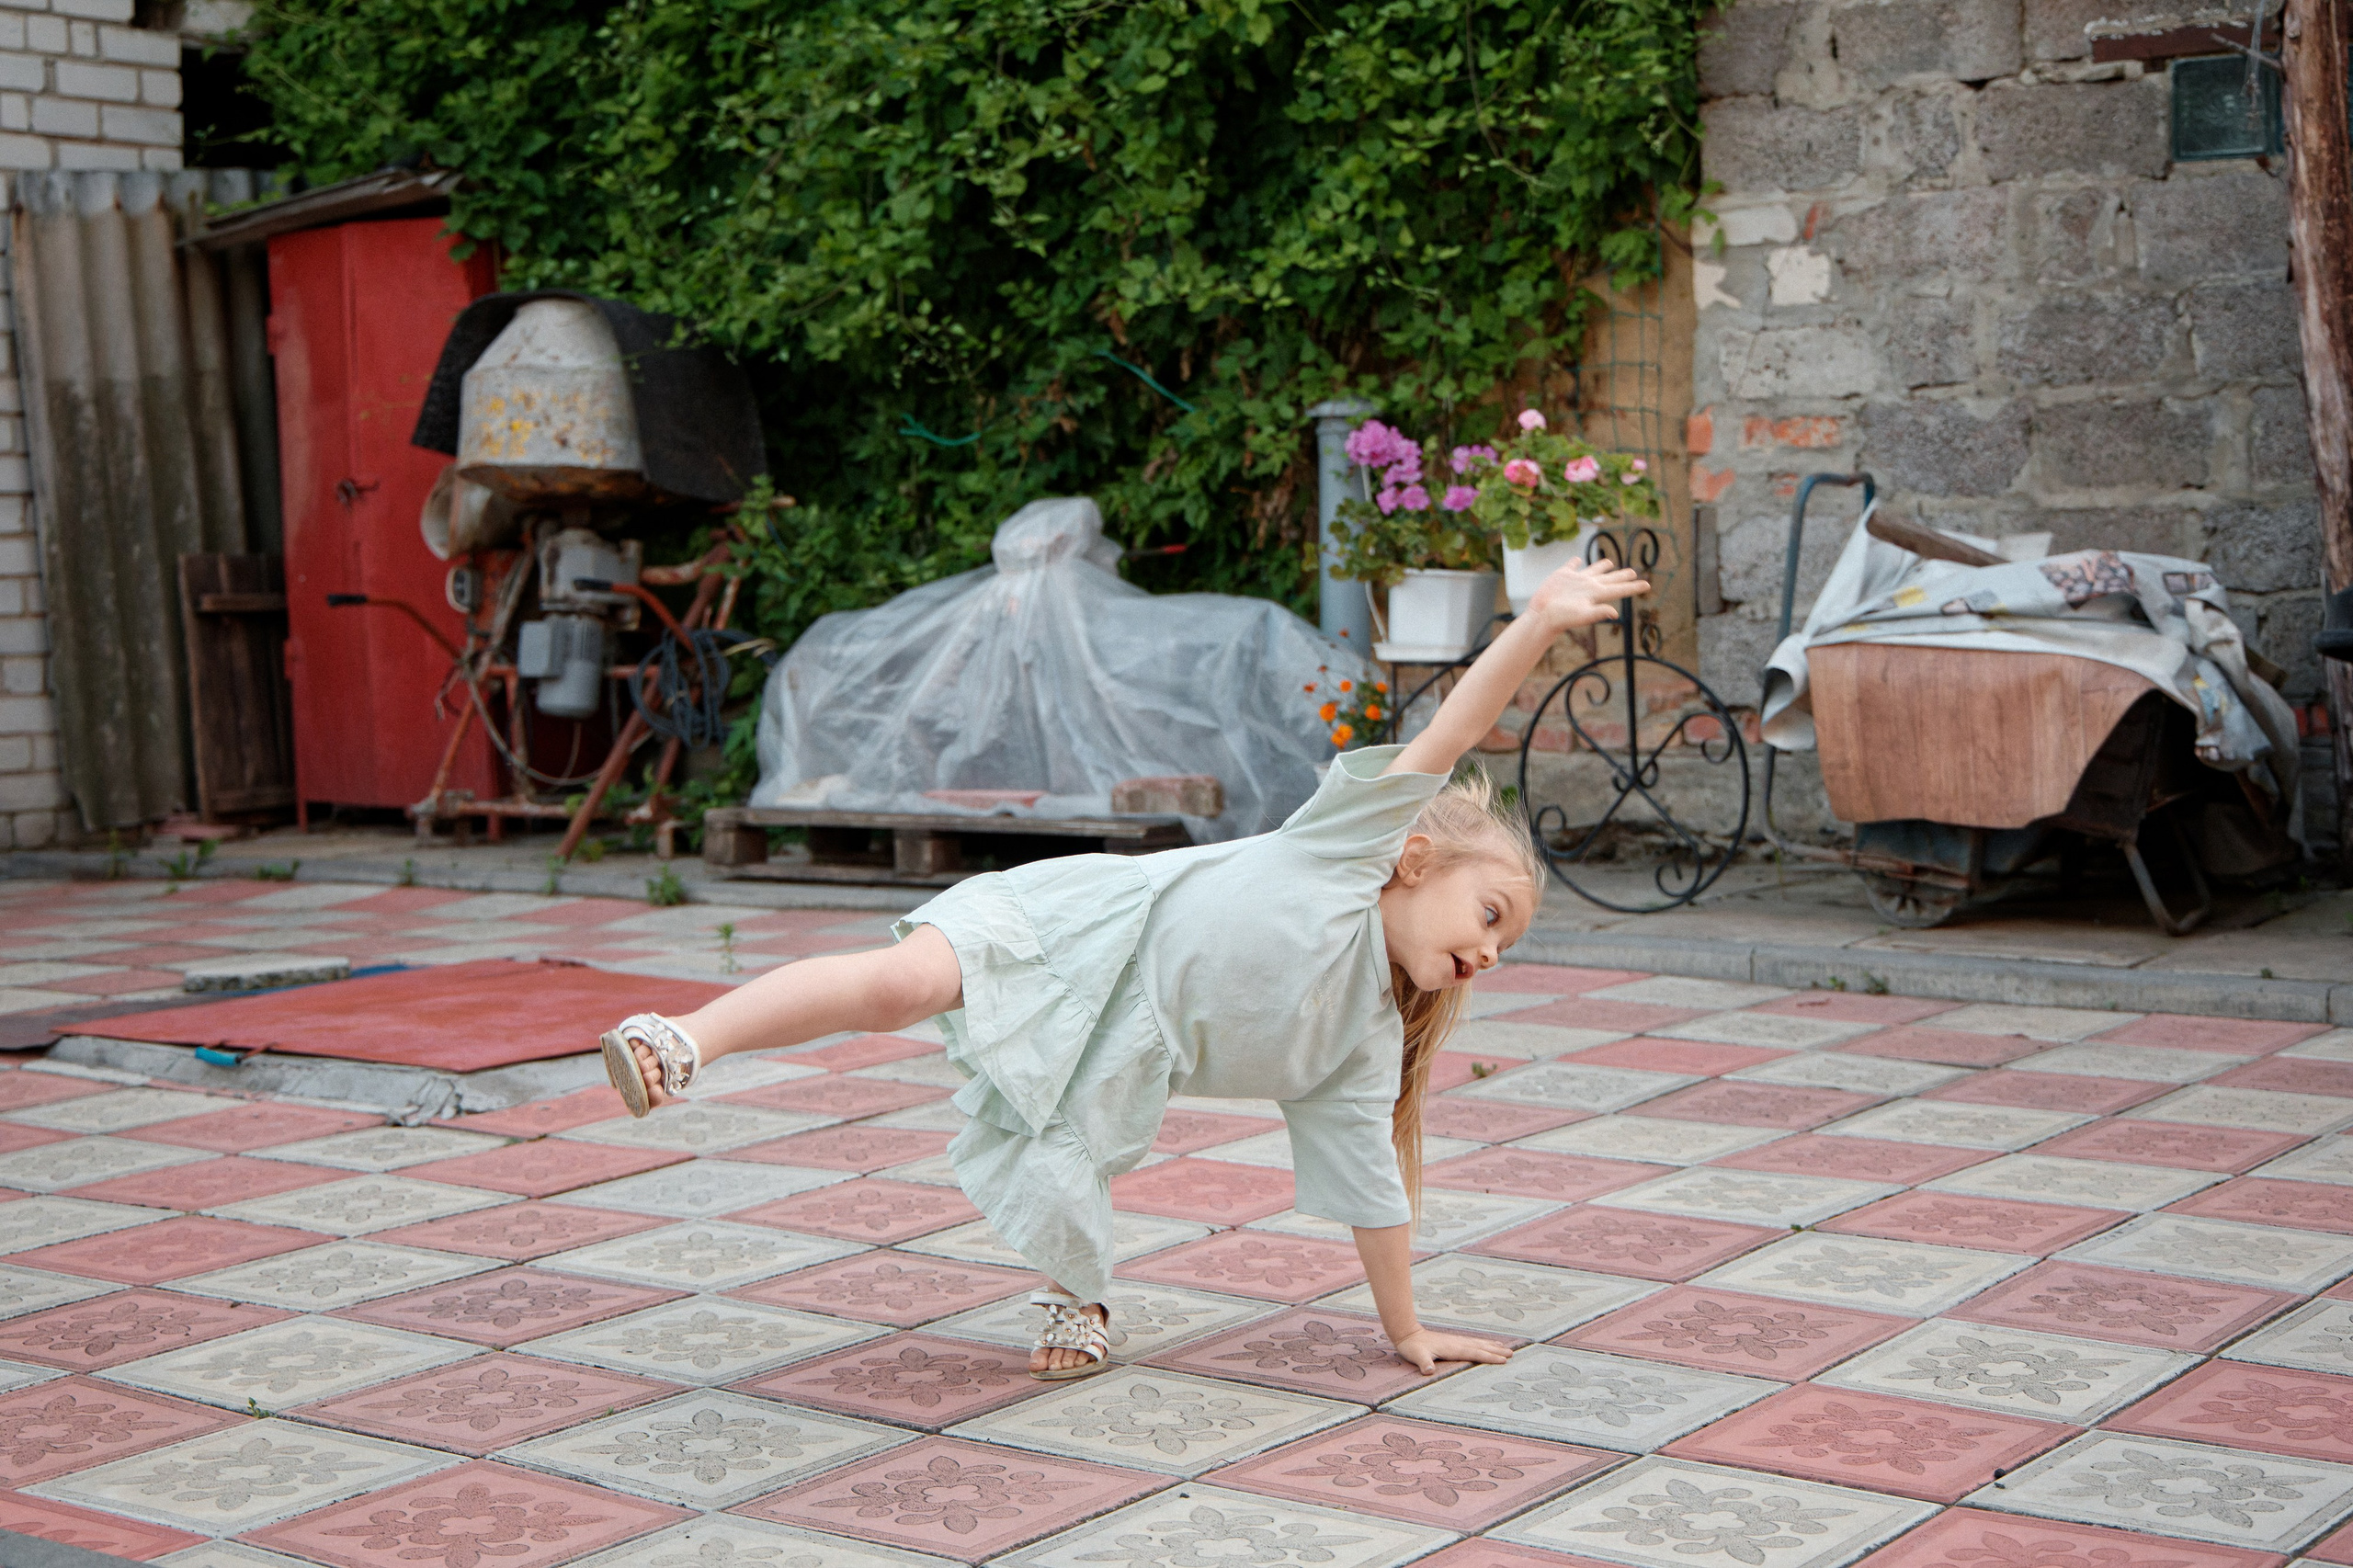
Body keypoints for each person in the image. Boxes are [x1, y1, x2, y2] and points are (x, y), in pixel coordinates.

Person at [600, 554, 1648, 1379]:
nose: (1491, 950)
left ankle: (1078, 1295)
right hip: (1081, 927)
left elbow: (1376, 1187)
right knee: (896, 987)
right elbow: (1453, 729)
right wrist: (1541, 619)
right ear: (1415, 860)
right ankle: (684, 1040)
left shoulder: (1359, 1038)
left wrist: (1408, 1329)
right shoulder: (1351, 849)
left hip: (1122, 1039)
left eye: (1507, 945)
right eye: (1491, 913)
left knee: (1072, 1154)